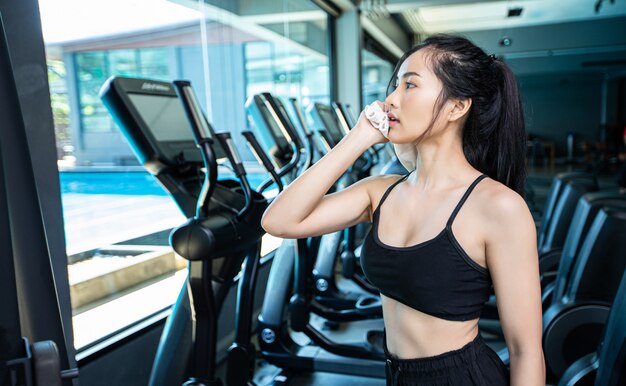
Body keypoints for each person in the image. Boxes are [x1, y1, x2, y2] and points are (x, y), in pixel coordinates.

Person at [261, 34, 544, 385]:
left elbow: (525, 350)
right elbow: (279, 220)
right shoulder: (380, 193)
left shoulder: (498, 206)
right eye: (395, 85)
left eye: (410, 85)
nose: (390, 100)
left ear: (457, 107)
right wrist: (357, 138)